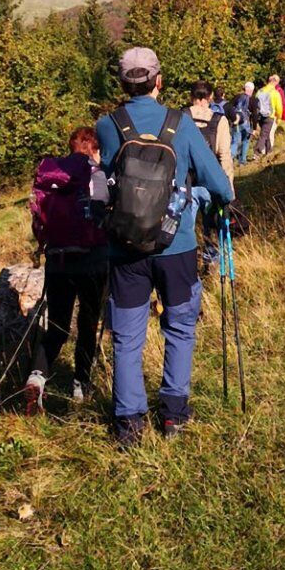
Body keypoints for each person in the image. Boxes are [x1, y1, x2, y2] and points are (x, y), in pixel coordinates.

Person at [97, 48, 234, 447]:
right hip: (177, 247)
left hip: (125, 250)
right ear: (159, 81)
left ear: (123, 83)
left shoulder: (109, 125)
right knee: (179, 328)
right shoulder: (181, 124)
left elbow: (103, 182)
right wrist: (217, 197)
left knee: (126, 337)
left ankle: (129, 424)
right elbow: (218, 182)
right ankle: (173, 415)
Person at [25, 127, 109, 414]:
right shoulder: (95, 174)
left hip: (57, 258)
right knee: (88, 321)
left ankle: (36, 377)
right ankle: (80, 384)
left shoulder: (53, 175)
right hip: (90, 258)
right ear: (93, 149)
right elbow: (102, 213)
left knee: (58, 324)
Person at [186, 81, 235, 264]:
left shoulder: (180, 117)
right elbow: (225, 156)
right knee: (212, 225)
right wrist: (228, 187)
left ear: (191, 97)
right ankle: (211, 261)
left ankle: (187, 263)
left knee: (185, 229)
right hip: (210, 183)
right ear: (210, 97)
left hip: (186, 183)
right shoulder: (219, 120)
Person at [230, 82, 258, 166]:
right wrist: (255, 128)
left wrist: (231, 120)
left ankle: (230, 158)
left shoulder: (237, 97)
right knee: (245, 141)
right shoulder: (253, 100)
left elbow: (230, 108)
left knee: (235, 141)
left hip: (236, 123)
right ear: (252, 90)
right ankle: (242, 161)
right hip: (246, 124)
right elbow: (254, 115)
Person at [255, 75, 284, 155]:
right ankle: (257, 152)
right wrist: (279, 117)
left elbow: (255, 103)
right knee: (265, 134)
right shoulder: (275, 93)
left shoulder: (259, 91)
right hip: (270, 116)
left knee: (265, 133)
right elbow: (279, 107)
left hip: (260, 116)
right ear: (274, 81)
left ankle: (269, 151)